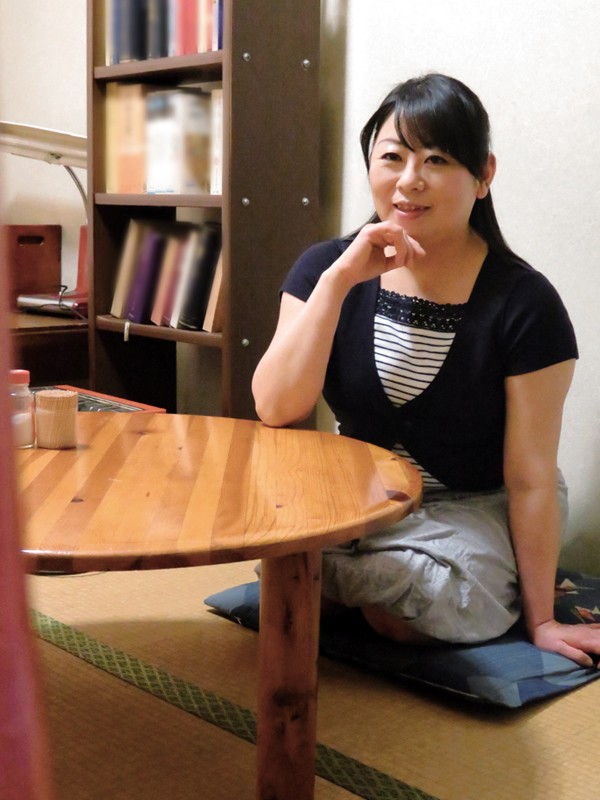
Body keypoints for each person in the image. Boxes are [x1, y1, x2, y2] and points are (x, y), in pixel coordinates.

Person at [252, 73, 600, 666]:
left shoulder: (525, 303)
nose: (409, 180)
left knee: (401, 603)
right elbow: (276, 406)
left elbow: (531, 478)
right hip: (366, 498)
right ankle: (374, 578)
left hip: (478, 503)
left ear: (483, 175)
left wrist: (542, 621)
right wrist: (337, 283)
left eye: (437, 159)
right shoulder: (324, 269)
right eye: (393, 157)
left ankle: (407, 583)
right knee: (285, 563)